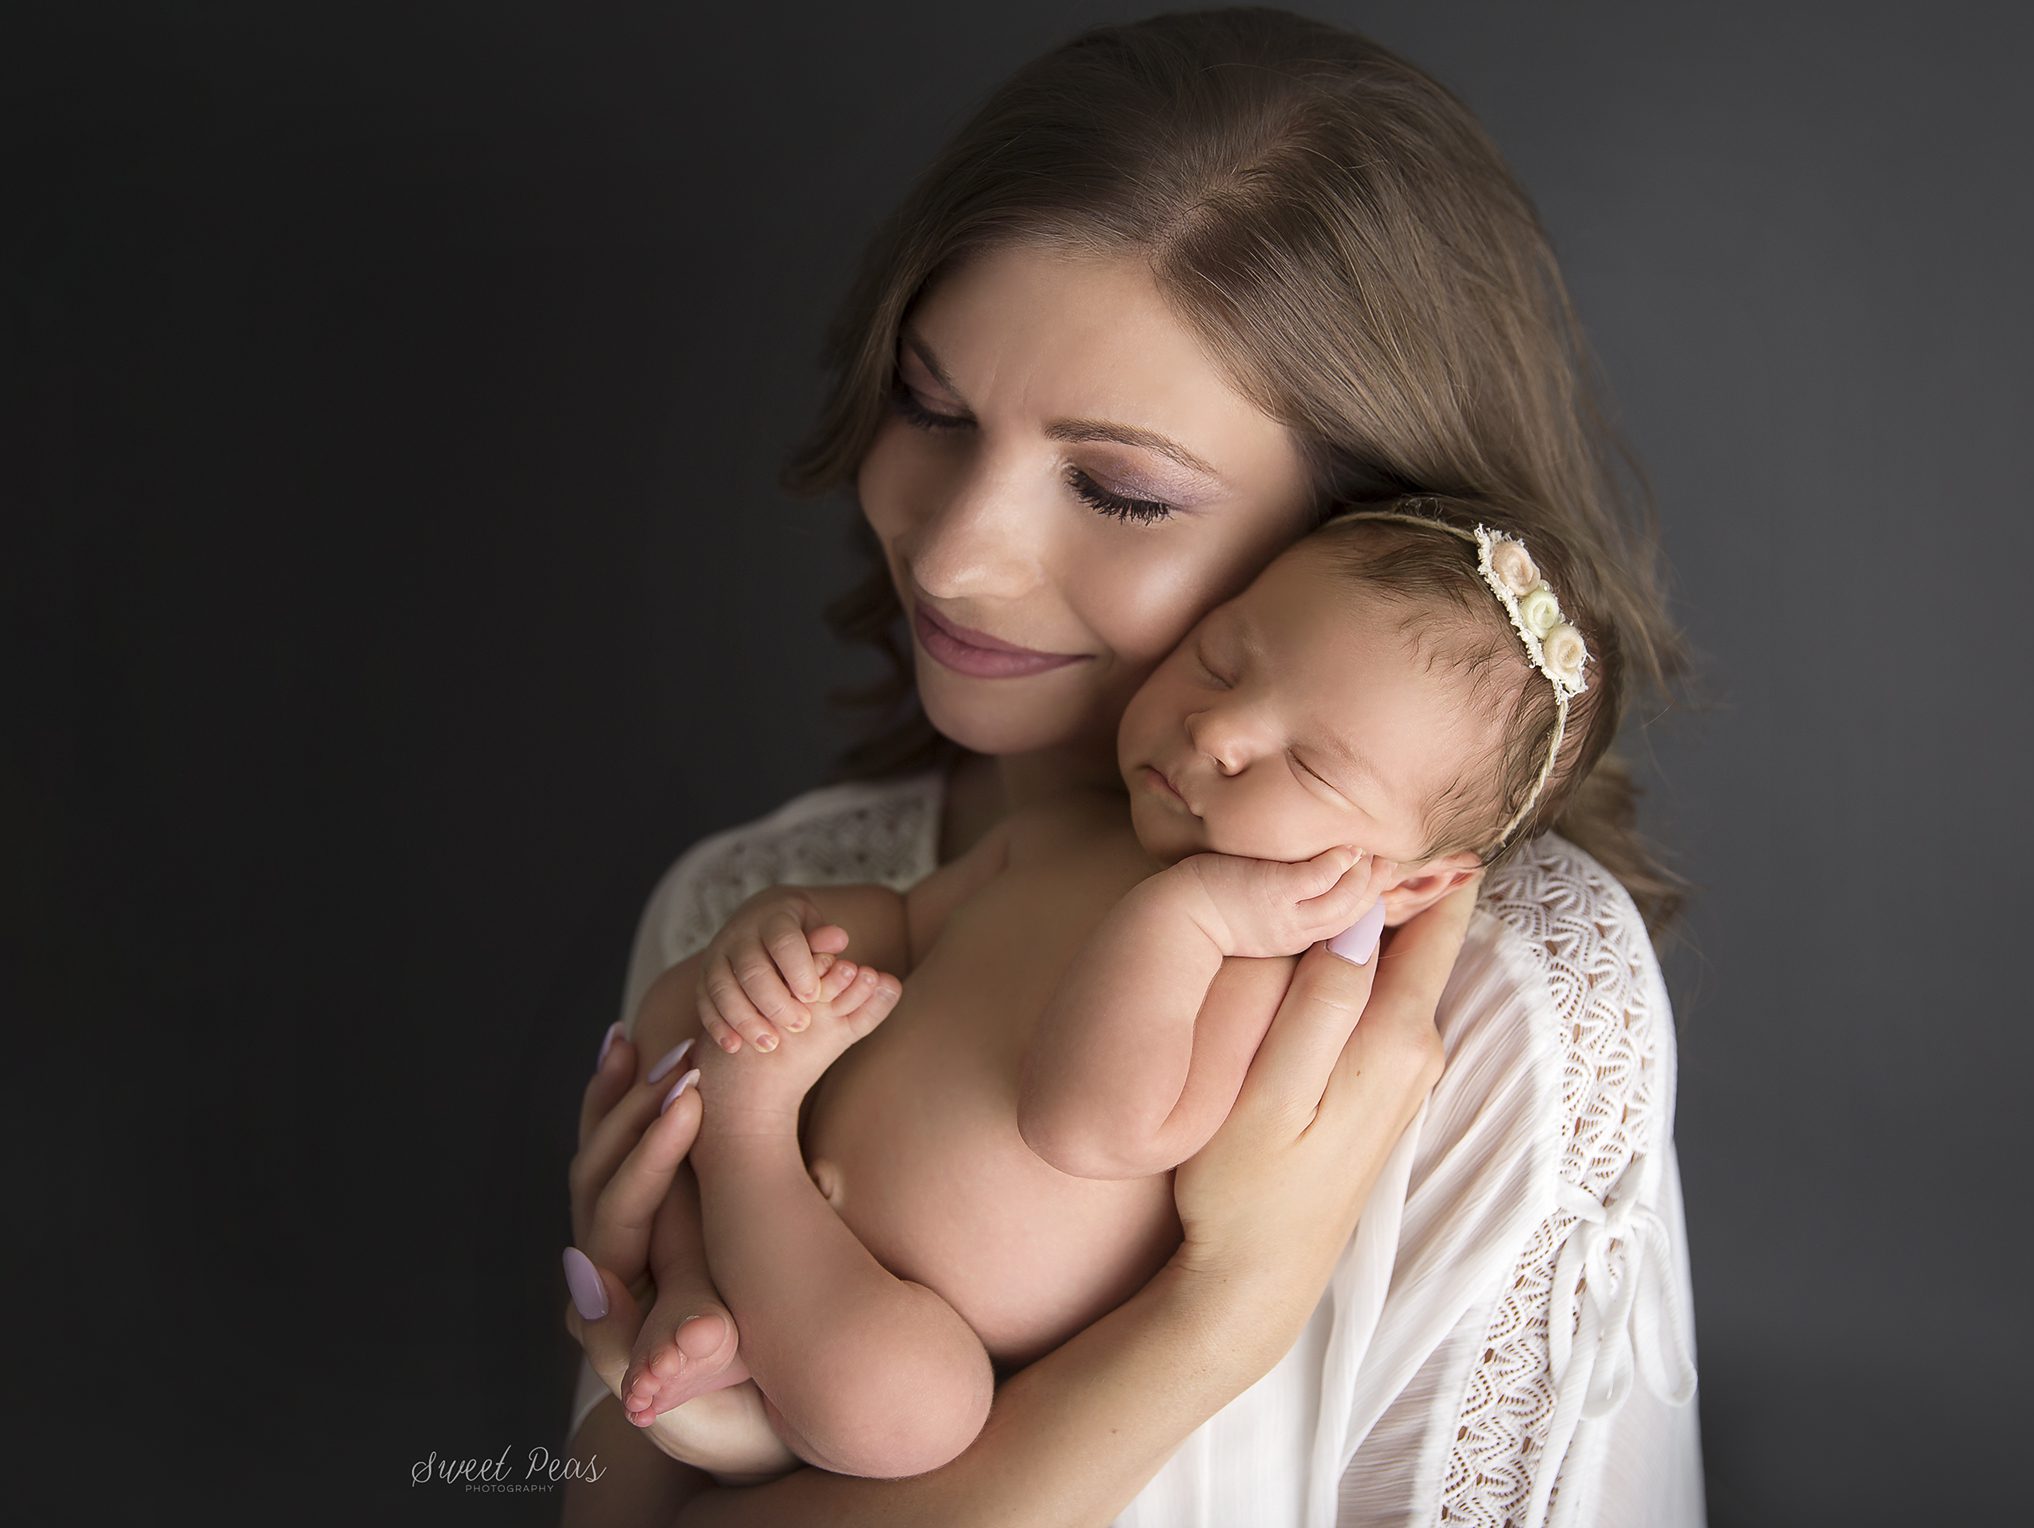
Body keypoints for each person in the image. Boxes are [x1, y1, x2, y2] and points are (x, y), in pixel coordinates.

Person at [559, 10, 1705, 1525]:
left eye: (1118, 488)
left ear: (1353, 535)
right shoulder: (755, 901)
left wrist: (1228, 1310)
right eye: (930, 405)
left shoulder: (1495, 1013)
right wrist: (652, 1349)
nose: (957, 558)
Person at [602, 504, 1620, 1487]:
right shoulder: (1065, 832)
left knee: (914, 1410)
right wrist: (784, 932)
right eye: (1220, 660)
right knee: (690, 995)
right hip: (800, 1172)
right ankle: (700, 1277)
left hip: (892, 1310)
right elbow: (909, 924)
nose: (1216, 727)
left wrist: (1192, 918)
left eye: (1308, 764)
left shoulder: (1256, 983)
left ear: (1406, 884)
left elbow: (1085, 1125)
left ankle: (745, 1156)